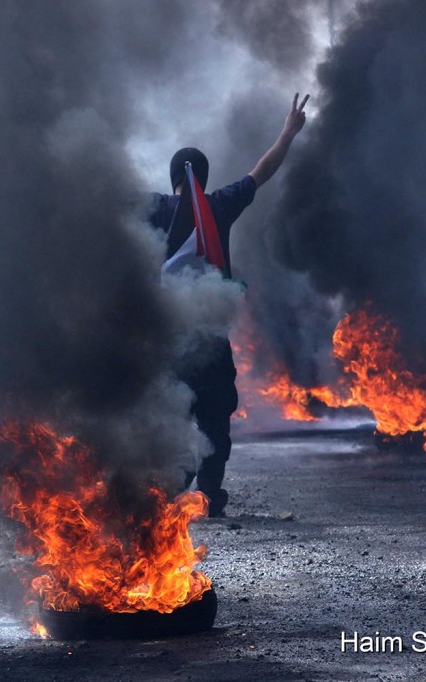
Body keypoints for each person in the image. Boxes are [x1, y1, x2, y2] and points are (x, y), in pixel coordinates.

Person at [147, 93, 309, 517]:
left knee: (171, 418)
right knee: (215, 419)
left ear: (173, 178)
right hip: (211, 340)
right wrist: (288, 131)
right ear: (204, 176)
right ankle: (211, 497)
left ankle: (167, 494)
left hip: (167, 340)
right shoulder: (219, 206)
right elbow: (262, 171)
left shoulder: (154, 209)